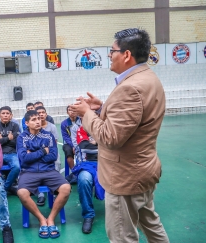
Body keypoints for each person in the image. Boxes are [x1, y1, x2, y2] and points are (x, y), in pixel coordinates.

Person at [69, 28, 169, 243]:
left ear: (126, 55)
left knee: (123, 236)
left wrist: (86, 113)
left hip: (125, 177)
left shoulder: (130, 88)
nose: (109, 55)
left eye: (112, 50)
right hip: (143, 170)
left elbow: (111, 138)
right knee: (151, 224)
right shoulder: (148, 77)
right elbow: (136, 118)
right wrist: (103, 108)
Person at [16, 110, 71, 239]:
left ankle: (51, 219)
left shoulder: (48, 136)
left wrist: (33, 154)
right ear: (27, 123)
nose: (38, 121)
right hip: (29, 171)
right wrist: (42, 151)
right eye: (34, 120)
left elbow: (52, 156)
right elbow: (24, 158)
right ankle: (41, 219)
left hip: (49, 170)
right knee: (22, 193)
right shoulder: (22, 138)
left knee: (66, 188)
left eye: (38, 119)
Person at [35, 106, 61, 206]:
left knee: (57, 162)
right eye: (39, 113)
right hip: (38, 153)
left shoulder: (52, 127)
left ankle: (55, 191)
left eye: (43, 112)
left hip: (50, 151)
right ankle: (40, 194)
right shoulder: (33, 128)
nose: (41, 114)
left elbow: (54, 143)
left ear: (46, 114)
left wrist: (47, 153)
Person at [0, 106, 20, 195]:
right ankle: (10, 187)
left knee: (17, 167)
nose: (5, 115)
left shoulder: (15, 126)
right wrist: (8, 138)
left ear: (11, 115)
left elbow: (16, 142)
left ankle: (4, 188)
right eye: (3, 113)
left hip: (12, 153)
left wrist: (2, 139)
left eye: (7, 113)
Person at [61, 106, 81, 183]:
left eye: (73, 110)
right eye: (70, 110)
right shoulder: (64, 124)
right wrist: (73, 146)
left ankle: (82, 170)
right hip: (69, 143)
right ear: (67, 112)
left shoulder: (81, 121)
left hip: (80, 141)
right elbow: (66, 137)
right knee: (68, 151)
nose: (72, 112)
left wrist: (77, 145)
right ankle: (74, 172)